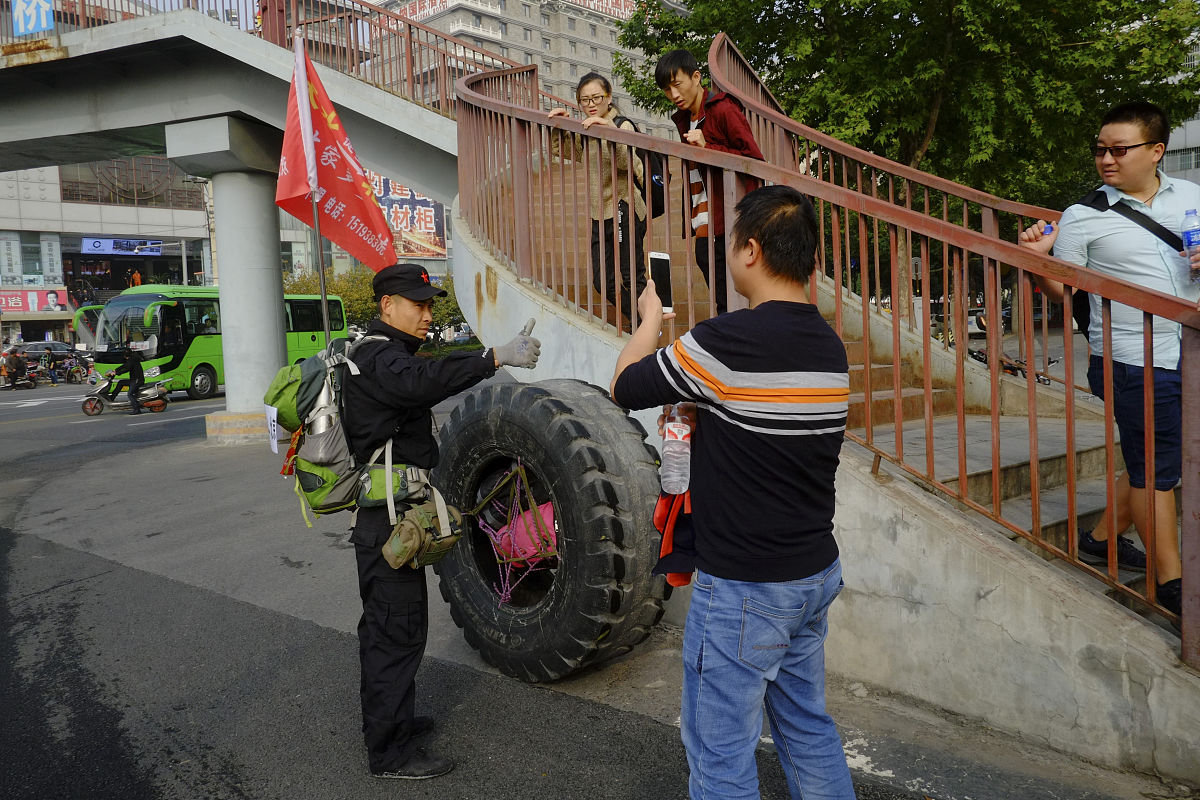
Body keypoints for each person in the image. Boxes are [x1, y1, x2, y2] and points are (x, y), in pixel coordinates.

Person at [611, 186, 856, 799]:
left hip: (746, 586)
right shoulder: (829, 346)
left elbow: (624, 385)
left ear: (750, 250)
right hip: (811, 571)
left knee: (720, 753)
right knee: (807, 728)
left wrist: (648, 323)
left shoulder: (727, 341)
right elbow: (765, 427)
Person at [341, 263, 541, 780]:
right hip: (386, 523)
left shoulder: (385, 354)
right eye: (418, 304)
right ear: (387, 304)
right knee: (395, 633)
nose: (428, 314)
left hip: (395, 518)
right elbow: (422, 381)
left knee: (392, 629)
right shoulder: (377, 357)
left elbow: (424, 373)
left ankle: (394, 726)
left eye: (431, 305)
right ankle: (389, 754)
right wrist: (493, 356)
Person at [1018, 101, 1195, 619]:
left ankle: (1099, 540)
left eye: (1119, 149)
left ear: (1156, 151)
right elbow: (1063, 292)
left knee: (1153, 461)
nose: (1106, 160)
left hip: (1191, 352)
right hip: (1132, 361)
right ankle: (1172, 582)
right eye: (1100, 150)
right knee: (1156, 474)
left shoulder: (1192, 198)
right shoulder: (1085, 215)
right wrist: (1036, 262)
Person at [655, 48, 764, 315]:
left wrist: (709, 147)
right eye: (667, 90)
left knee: (732, 293)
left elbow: (755, 161)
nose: (674, 95)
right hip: (704, 216)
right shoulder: (685, 120)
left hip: (730, 215)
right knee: (714, 280)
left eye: (677, 85)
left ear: (696, 77)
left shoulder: (723, 109)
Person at [548, 72, 647, 322]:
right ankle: (642, 322)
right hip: (599, 211)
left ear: (609, 98)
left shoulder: (622, 125)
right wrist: (559, 128)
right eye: (584, 100)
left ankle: (647, 325)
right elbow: (568, 152)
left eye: (596, 98)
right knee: (602, 281)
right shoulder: (586, 129)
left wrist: (610, 131)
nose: (591, 104)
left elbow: (631, 165)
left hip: (625, 206)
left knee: (632, 275)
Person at [110, 346, 144, 414]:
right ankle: (112, 398)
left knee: (130, 394)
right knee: (121, 382)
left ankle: (137, 409)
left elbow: (127, 368)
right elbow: (125, 365)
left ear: (125, 355)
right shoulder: (132, 359)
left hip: (137, 381)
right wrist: (116, 370)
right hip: (134, 380)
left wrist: (117, 373)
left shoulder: (132, 360)